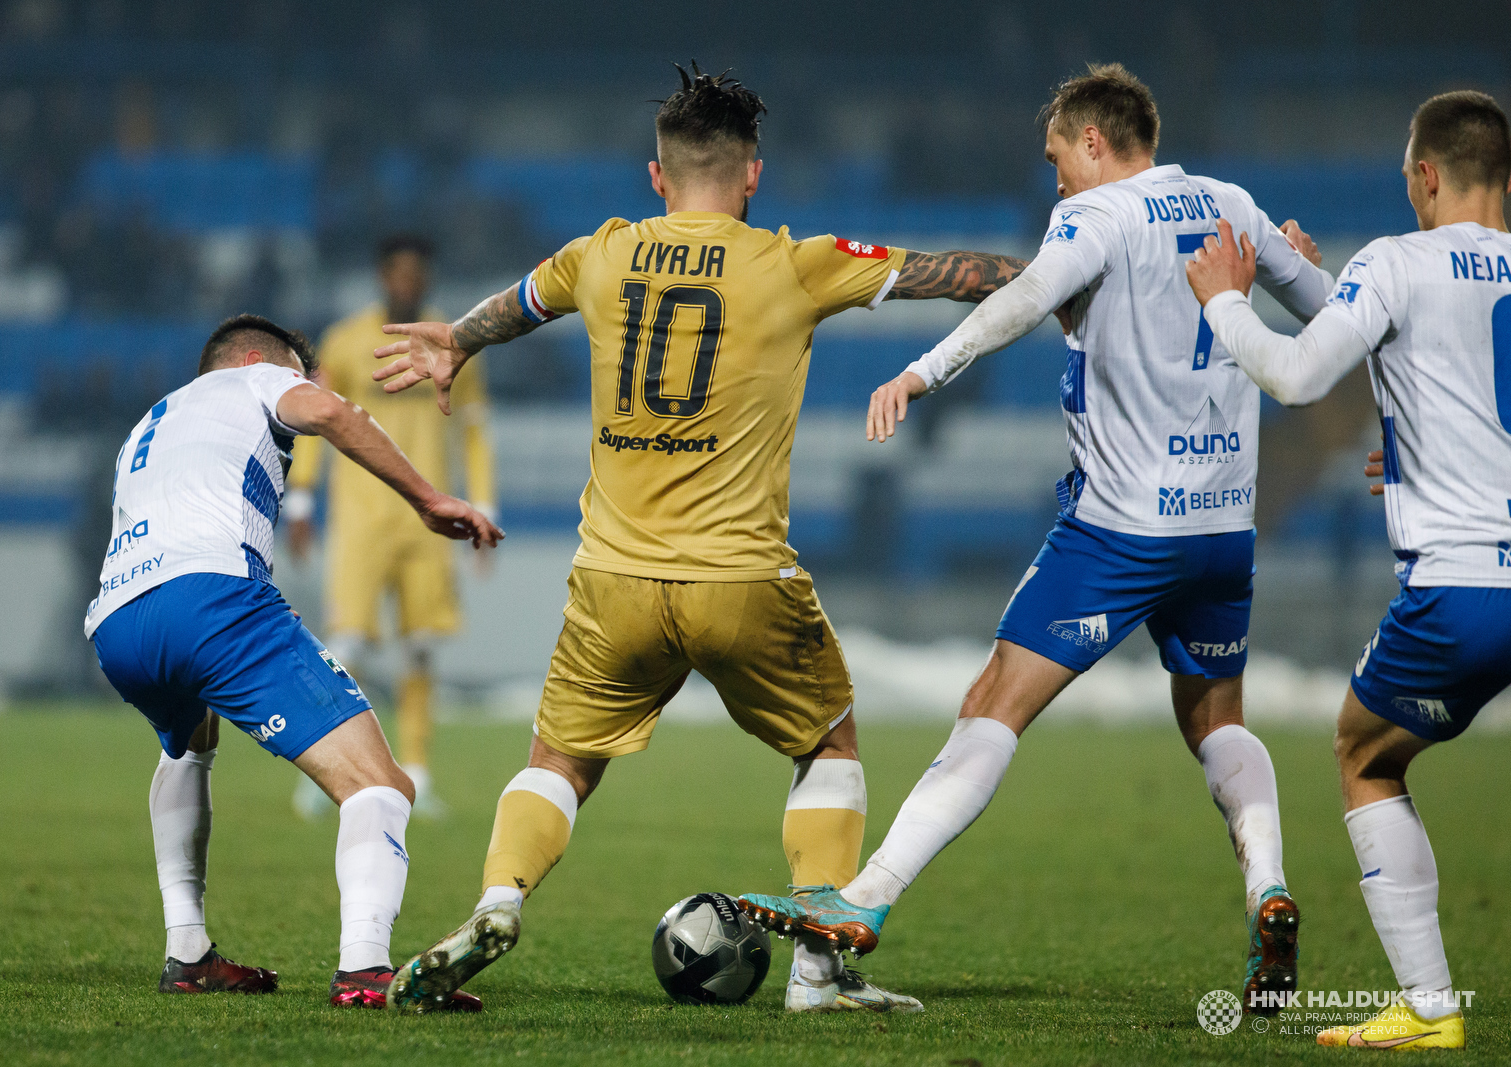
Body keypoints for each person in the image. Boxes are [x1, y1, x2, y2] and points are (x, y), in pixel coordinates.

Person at [369, 63, 1032, 1015]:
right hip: (740, 577)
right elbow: (952, 274)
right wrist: (1064, 275)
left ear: (656, 176)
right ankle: (818, 974)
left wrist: (456, 343)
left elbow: (516, 305)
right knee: (830, 744)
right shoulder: (796, 262)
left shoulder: (601, 252)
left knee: (557, 762)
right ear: (753, 174)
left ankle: (498, 900)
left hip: (613, 579)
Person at [739, 63, 1333, 1013]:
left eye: (1058, 158)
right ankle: (1267, 884)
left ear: (1094, 142)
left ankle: (866, 898)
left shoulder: (1094, 218)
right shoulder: (1233, 206)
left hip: (1119, 531)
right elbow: (1337, 320)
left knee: (992, 704)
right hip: (1225, 526)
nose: (1054, 179)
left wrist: (923, 372)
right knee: (1217, 718)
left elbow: (1019, 301)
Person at [1185, 89, 1511, 1051]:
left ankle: (1429, 1005)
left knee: (1365, 752)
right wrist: (1423, 450)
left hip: (1463, 589)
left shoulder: (1397, 262)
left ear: (1424, 174)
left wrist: (1225, 301)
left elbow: (1293, 378)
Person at [85, 314, 502, 1009]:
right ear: (257, 358)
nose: (303, 387)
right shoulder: (260, 376)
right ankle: (365, 969)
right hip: (212, 603)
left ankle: (187, 950)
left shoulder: (150, 422)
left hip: (119, 623)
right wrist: (429, 498)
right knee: (381, 786)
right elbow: (332, 412)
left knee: (190, 745)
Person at [285, 234, 497, 821]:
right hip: (360, 520)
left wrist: (485, 506)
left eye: (416, 275)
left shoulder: (454, 343)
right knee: (344, 648)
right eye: (397, 274)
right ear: (383, 277)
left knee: (422, 652)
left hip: (429, 523)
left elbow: (474, 430)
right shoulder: (348, 342)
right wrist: (300, 499)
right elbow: (318, 421)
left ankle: (418, 775)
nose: (406, 283)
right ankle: (327, 771)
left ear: (425, 280)